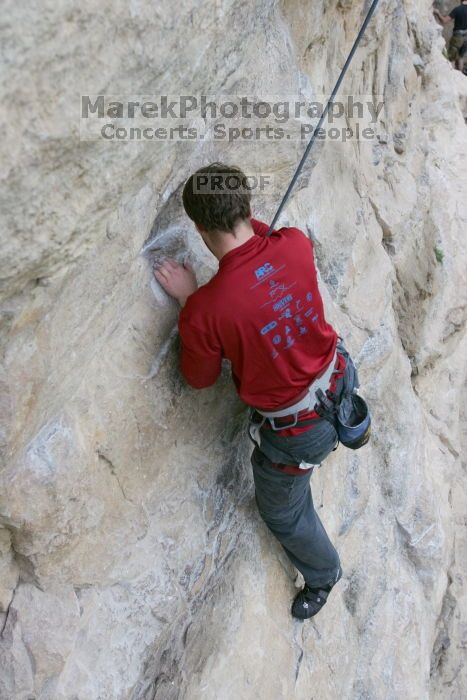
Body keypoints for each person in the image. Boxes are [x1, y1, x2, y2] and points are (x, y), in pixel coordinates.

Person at [153, 162, 360, 620]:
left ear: (199, 228)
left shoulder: (206, 310)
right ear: (248, 206)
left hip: (299, 431)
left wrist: (191, 300)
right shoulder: (294, 244)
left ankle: (323, 577)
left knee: (284, 512)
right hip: (341, 375)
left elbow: (201, 378)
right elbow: (260, 242)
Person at [434, 1, 467, 72]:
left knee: (451, 58)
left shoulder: (458, 9)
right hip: (466, 38)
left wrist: (437, 13)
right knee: (460, 57)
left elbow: (444, 21)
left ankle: (451, 74)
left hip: (457, 38)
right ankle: (460, 77)